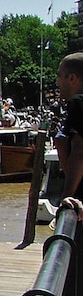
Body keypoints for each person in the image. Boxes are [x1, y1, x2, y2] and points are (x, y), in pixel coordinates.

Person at [55, 52, 83, 198]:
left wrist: (68, 196)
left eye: (60, 76)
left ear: (72, 78)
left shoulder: (78, 102)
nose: (58, 82)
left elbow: (79, 151)